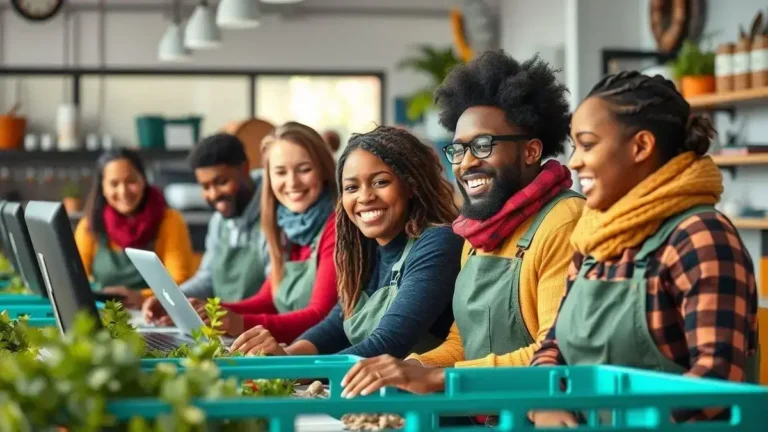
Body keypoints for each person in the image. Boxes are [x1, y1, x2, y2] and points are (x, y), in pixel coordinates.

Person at [338, 51, 585, 403]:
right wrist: (411, 367)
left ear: (531, 151)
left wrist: (440, 377)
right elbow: (462, 342)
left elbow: (556, 357)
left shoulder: (563, 223)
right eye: (458, 149)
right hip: (487, 414)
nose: (467, 163)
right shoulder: (478, 233)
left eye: (483, 146)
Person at [529, 71, 759, 427]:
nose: (574, 161)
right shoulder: (594, 240)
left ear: (641, 147)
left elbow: (716, 379)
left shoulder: (700, 237)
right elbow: (553, 347)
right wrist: (545, 404)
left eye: (587, 144)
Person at [228, 126, 463, 359]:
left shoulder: (437, 243)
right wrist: (288, 354)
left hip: (422, 395)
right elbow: (336, 325)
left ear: (411, 185)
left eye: (380, 182)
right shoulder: (363, 250)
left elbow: (389, 343)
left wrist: (297, 368)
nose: (365, 197)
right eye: (352, 187)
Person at [188, 122, 339, 343]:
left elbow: (320, 316)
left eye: (304, 169)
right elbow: (267, 299)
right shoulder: (287, 225)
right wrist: (207, 309)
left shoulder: (336, 227)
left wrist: (239, 323)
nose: (292, 182)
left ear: (324, 170)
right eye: (280, 172)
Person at [143, 134, 268, 324]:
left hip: (257, 329)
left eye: (221, 182)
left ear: (245, 169)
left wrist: (216, 312)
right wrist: (172, 300)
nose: (213, 194)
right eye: (205, 186)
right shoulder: (219, 221)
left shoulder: (272, 215)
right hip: (223, 327)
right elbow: (208, 277)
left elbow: (273, 295)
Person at [75, 148, 195, 309]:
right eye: (114, 184)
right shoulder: (90, 225)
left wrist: (143, 298)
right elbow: (73, 277)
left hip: (155, 313)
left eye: (131, 181)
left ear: (143, 180)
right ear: (103, 188)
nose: (123, 191)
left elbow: (180, 281)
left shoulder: (170, 221)